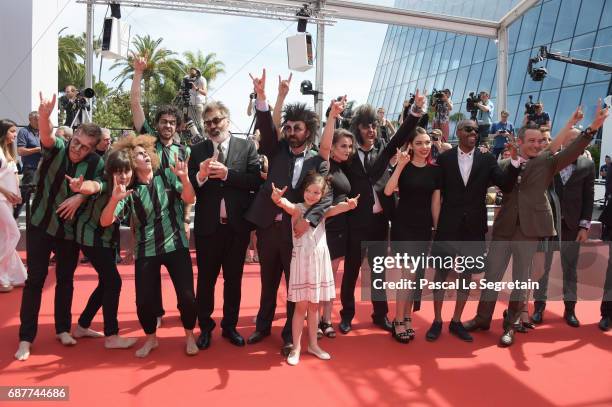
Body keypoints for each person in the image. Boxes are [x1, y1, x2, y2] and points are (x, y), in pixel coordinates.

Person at [465, 101, 609, 347]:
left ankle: (510, 326)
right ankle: (482, 318)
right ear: (519, 142)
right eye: (531, 141)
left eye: (539, 141)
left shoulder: (547, 163)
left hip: (529, 230)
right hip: (503, 229)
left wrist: (592, 127)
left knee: (521, 280)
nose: (536, 145)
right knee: (491, 276)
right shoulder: (502, 165)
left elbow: (573, 150)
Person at [245, 70, 332, 356]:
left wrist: (308, 221)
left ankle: (288, 335)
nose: (292, 132)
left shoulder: (317, 161)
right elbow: (267, 127)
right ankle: (262, 326)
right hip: (269, 228)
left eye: (298, 128)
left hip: (296, 233)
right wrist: (265, 98)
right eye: (290, 127)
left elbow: (324, 197)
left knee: (294, 288)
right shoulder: (276, 148)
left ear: (308, 130)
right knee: (267, 282)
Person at [15, 93, 105, 361]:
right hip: (41, 224)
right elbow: (46, 136)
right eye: (77, 141)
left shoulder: (95, 163)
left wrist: (81, 194)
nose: (78, 148)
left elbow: (100, 185)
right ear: (73, 136)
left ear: (93, 149)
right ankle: (25, 338)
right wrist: (44, 116)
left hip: (69, 232)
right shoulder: (57, 148)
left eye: (85, 147)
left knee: (66, 281)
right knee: (35, 281)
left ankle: (63, 329)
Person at [100, 135, 198, 357]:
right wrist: (115, 199)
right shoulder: (130, 190)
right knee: (144, 301)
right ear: (132, 163)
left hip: (176, 245)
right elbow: (106, 221)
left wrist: (184, 179)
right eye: (137, 156)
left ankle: (190, 336)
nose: (143, 157)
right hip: (146, 250)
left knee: (187, 297)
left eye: (144, 153)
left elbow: (190, 199)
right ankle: (151, 339)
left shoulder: (166, 176)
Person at [339, 90, 427, 335]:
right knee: (351, 272)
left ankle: (380, 315)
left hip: (380, 222)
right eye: (367, 126)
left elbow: (401, 133)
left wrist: (415, 110)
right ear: (357, 128)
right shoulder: (346, 155)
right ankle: (346, 315)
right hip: (355, 222)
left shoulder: (383, 150)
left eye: (374, 126)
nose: (371, 130)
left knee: (379, 272)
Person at [425, 119, 520, 343]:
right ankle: (437, 320)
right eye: (469, 129)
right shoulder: (444, 159)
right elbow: (436, 195)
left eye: (477, 131)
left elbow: (505, 185)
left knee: (467, 276)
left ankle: (457, 321)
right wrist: (436, 226)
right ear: (458, 132)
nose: (473, 133)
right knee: (441, 275)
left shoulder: (487, 159)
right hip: (448, 226)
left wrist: (515, 161)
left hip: (474, 227)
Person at [187, 101, 262, 350]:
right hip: (208, 229)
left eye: (216, 120)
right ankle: (205, 327)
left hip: (236, 229)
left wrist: (228, 174)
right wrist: (201, 175)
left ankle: (230, 326)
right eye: (207, 122)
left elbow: (255, 181)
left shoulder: (247, 146)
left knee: (234, 280)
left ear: (227, 120)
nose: (211, 126)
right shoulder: (197, 151)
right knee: (205, 282)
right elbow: (190, 187)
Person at [270, 172, 359, 365]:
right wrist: (278, 199)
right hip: (302, 261)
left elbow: (336, 209)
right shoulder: (298, 209)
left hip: (319, 261)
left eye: (316, 192)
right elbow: (286, 204)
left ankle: (313, 345)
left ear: (322, 194)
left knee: (314, 306)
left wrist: (349, 205)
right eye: (309, 191)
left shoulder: (322, 211)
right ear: (304, 191)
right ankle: (296, 347)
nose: (311, 195)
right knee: (300, 307)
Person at [131, 55, 191, 327]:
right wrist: (138, 73)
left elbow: (188, 186)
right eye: (163, 121)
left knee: (183, 281)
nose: (167, 125)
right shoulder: (148, 143)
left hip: (175, 223)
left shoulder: (184, 151)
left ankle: (187, 317)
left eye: (172, 122)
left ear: (177, 126)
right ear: (157, 124)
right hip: (146, 222)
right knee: (148, 280)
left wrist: (188, 217)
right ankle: (154, 315)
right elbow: (135, 105)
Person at [64, 149, 138, 349]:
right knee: (113, 282)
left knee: (107, 283)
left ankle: (82, 325)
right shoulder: (107, 184)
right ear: (110, 171)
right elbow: (94, 189)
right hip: (92, 239)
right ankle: (112, 335)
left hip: (101, 240)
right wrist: (81, 188)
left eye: (127, 170)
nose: (123, 175)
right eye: (118, 171)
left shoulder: (127, 186)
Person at [532, 128, 595, 327]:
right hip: (548, 225)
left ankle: (570, 310)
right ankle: (538, 308)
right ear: (563, 142)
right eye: (571, 140)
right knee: (542, 268)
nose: (576, 143)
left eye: (579, 140)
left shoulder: (587, 164)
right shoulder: (551, 162)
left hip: (572, 227)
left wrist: (584, 226)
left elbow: (589, 197)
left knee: (570, 269)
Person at [384, 127, 441, 343]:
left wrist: (436, 229)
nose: (424, 147)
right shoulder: (404, 167)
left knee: (415, 276)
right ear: (411, 145)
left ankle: (407, 317)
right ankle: (398, 320)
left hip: (423, 228)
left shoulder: (435, 171)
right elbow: (389, 191)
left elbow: (435, 203)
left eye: (427, 142)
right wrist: (400, 166)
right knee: (407, 277)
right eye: (419, 143)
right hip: (404, 227)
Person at [317, 98, 352, 338]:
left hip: (341, 232)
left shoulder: (345, 168)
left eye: (350, 146)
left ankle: (326, 320)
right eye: (343, 146)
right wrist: (332, 117)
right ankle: (313, 319)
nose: (348, 150)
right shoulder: (326, 165)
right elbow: (324, 146)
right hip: (323, 230)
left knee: (331, 280)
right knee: (319, 279)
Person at [0, 119, 27, 292]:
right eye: (12, 131)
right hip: (1, 199)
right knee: (13, 233)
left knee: (4, 236)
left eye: (15, 131)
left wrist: (16, 194)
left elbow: (14, 176)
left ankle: (11, 275)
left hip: (8, 200)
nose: (15, 135)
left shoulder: (9, 153)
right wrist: (6, 192)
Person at [14, 111, 41, 219]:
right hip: (31, 167)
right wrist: (38, 149)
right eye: (37, 119)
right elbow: (20, 151)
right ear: (30, 120)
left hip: (43, 167)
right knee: (26, 192)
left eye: (40, 119)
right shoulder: (24, 132)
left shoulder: (42, 131)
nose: (39, 122)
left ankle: (37, 219)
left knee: (41, 193)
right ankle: (14, 215)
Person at [186, 67, 207, 132]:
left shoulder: (202, 79)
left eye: (193, 72)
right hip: (190, 103)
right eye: (190, 72)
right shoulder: (188, 79)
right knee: (191, 123)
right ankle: (195, 137)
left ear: (197, 72)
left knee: (200, 122)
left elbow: (205, 93)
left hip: (199, 103)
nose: (191, 74)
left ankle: (204, 137)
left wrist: (196, 88)